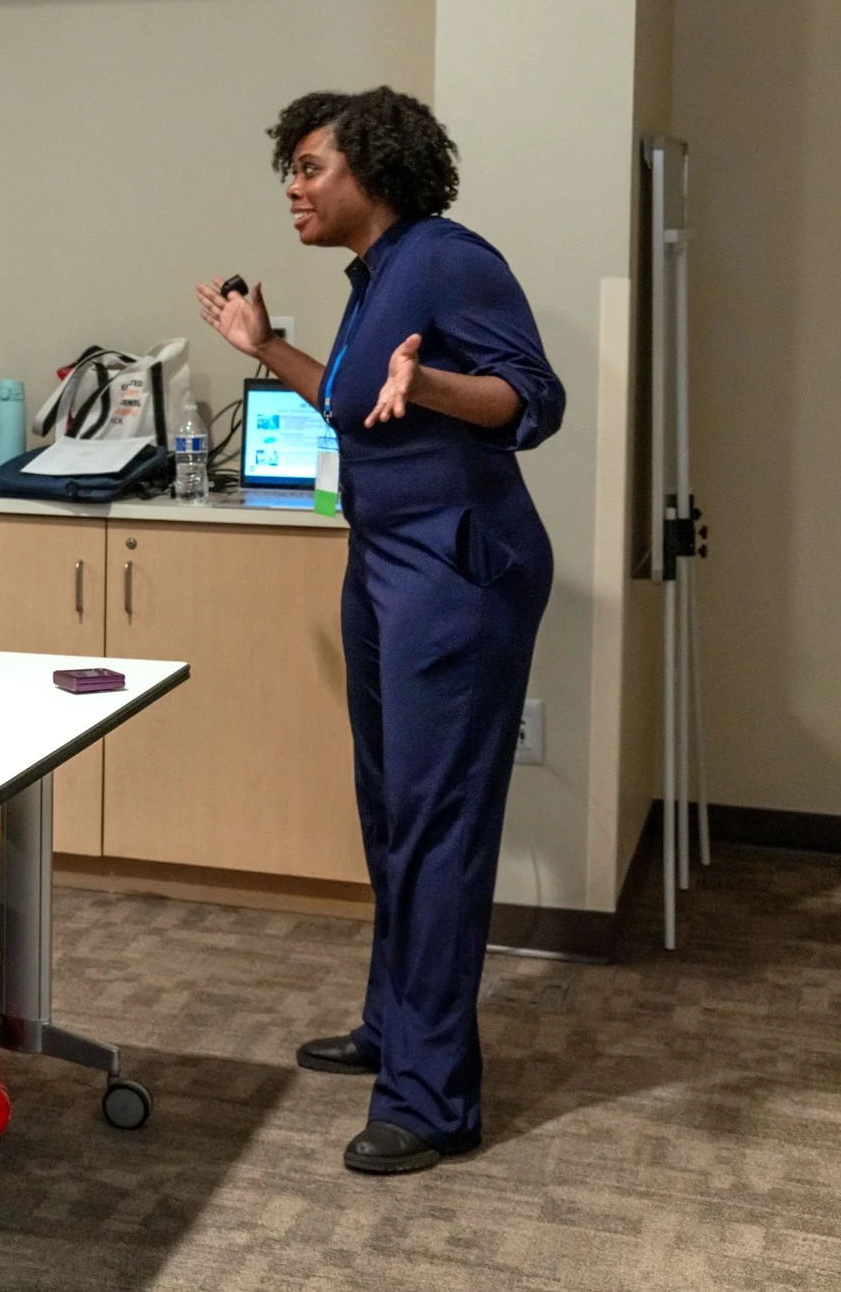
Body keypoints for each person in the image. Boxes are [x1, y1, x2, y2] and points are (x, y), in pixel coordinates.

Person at [196, 86, 563, 1176]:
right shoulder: (374, 276)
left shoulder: (447, 258)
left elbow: (530, 398)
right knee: (393, 808)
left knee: (437, 822)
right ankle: (393, 1024)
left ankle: (433, 1098)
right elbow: (355, 404)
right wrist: (267, 346)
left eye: (311, 167)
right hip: (386, 562)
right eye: (291, 169)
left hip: (458, 565)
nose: (293, 187)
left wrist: (433, 382)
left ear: (375, 169)